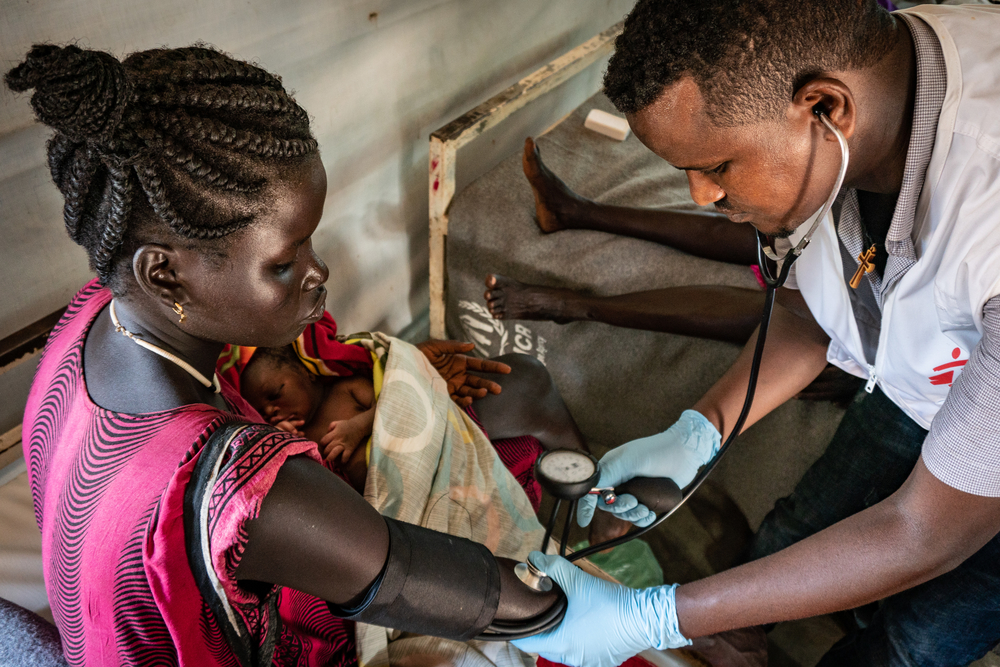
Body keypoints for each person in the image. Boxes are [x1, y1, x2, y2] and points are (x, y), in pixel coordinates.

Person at [8, 43, 562, 666]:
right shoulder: (236, 491)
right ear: (163, 275)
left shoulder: (93, 314)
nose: (319, 270)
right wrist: (620, 610)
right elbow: (492, 599)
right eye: (284, 262)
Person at [510, 1, 1000, 666]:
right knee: (798, 526)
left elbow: (923, 531)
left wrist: (657, 616)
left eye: (717, 167)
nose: (699, 196)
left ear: (826, 108)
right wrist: (701, 428)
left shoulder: (987, 206)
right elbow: (808, 310)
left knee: (914, 642)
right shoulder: (873, 89)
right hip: (921, 382)